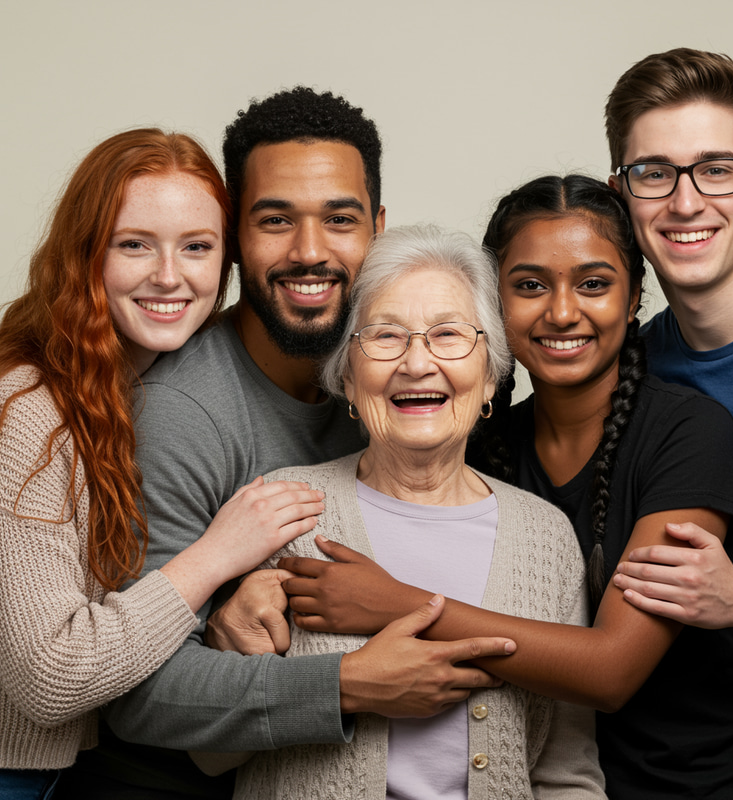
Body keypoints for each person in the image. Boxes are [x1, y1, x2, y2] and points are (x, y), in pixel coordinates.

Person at [236, 176, 733, 798]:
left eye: (593, 283)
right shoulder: (483, 451)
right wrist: (228, 619)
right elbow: (210, 730)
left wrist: (397, 602)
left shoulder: (678, 435)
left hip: (704, 780)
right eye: (529, 285)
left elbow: (603, 680)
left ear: (635, 295)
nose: (560, 311)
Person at [72, 89, 514, 800]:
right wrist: (347, 686)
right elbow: (139, 695)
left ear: (377, 227)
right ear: (236, 237)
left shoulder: (400, 384)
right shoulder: (184, 413)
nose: (309, 252)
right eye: (275, 220)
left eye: (339, 220)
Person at [205, 223, 605, 799]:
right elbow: (210, 758)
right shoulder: (282, 511)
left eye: (447, 335)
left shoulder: (546, 537)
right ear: (346, 373)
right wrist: (228, 643)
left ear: (491, 373)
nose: (417, 364)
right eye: (386, 336)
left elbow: (567, 773)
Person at [0, 129, 328, 800]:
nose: (170, 275)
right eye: (134, 244)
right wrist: (216, 556)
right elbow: (50, 676)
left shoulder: (131, 394)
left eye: (197, 247)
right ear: (85, 254)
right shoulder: (28, 408)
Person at [602, 48, 733, 795]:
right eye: (654, 173)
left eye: (716, 169)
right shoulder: (630, 376)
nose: (685, 202)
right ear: (623, 193)